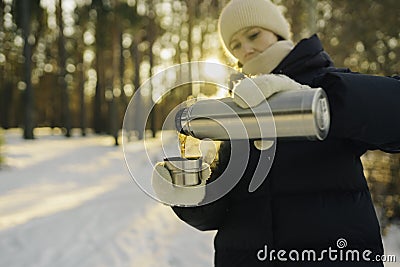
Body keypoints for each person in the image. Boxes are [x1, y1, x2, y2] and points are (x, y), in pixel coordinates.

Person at [152, 0, 400, 266]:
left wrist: (322, 102)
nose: (246, 48)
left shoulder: (327, 83)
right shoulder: (235, 110)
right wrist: (192, 195)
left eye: (254, 34)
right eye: (235, 45)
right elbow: (222, 211)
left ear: (279, 31)